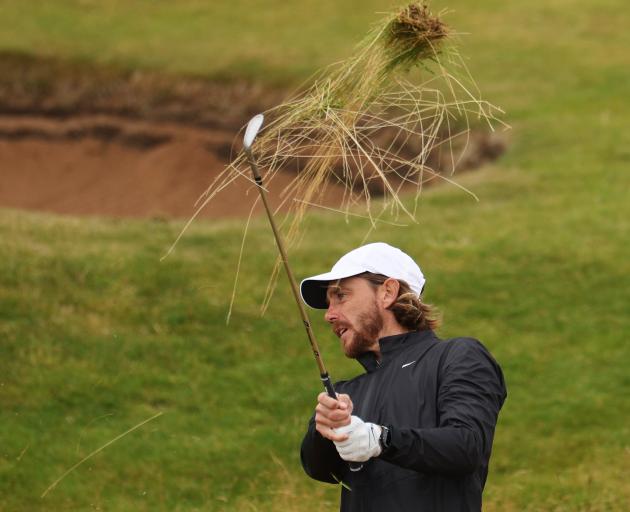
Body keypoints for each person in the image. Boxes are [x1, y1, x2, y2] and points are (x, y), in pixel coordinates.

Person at [299, 242, 507, 512]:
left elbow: (466, 446)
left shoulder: (456, 356)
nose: (329, 315)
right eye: (329, 303)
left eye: (341, 296)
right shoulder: (347, 392)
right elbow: (318, 468)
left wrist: (381, 439)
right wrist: (325, 429)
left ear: (387, 292)